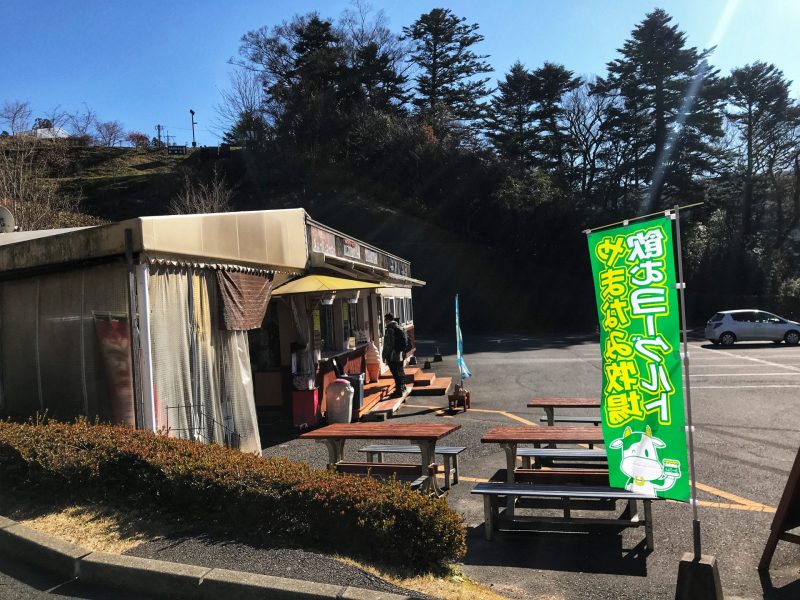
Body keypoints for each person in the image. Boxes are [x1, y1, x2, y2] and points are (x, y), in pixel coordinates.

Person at [382, 313, 406, 398]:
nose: (384, 322)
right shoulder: (399, 327)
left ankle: (398, 391)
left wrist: (384, 355)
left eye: (385, 320)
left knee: (395, 373)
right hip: (400, 353)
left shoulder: (390, 329)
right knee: (400, 370)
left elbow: (388, 344)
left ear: (387, 320)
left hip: (392, 355)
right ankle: (403, 387)